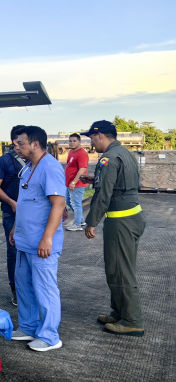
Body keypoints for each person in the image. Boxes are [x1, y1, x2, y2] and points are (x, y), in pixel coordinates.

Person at [80, 120, 146, 336]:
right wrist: (94, 179)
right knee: (117, 269)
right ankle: (119, 312)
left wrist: (91, 221)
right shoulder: (124, 153)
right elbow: (119, 183)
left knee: (121, 271)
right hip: (131, 217)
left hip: (120, 222)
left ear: (99, 135)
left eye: (90, 138)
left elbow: (104, 195)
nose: (91, 143)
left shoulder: (108, 157)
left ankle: (132, 320)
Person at [9, 126, 66, 352]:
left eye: (20, 143)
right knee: (24, 287)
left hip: (41, 244)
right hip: (24, 240)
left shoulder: (50, 167)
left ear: (35, 144)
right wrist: (15, 228)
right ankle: (29, 327)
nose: (16, 147)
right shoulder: (28, 168)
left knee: (45, 289)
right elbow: (25, 202)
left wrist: (47, 238)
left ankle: (50, 336)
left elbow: (58, 204)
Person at [0, 125, 26, 306]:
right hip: (10, 214)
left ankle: (27, 287)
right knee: (13, 251)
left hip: (30, 214)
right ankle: (15, 289)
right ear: (15, 141)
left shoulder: (33, 160)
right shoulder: (3, 161)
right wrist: (12, 203)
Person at [64, 133, 89, 231]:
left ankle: (77, 224)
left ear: (79, 142)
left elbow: (82, 169)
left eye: (74, 141)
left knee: (76, 203)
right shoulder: (71, 152)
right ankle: (81, 220)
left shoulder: (82, 153)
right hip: (69, 183)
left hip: (77, 184)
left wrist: (73, 182)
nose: (72, 143)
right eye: (70, 141)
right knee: (69, 202)